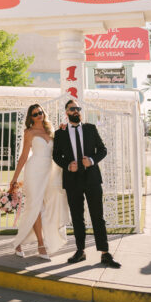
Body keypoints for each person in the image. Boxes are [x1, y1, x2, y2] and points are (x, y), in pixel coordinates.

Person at [53, 99, 121, 268]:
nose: (76, 111)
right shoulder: (60, 133)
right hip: (72, 180)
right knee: (77, 218)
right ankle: (80, 251)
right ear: (67, 112)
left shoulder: (90, 128)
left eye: (78, 108)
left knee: (98, 216)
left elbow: (103, 149)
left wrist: (92, 160)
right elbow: (56, 156)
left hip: (92, 179)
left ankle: (105, 253)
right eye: (72, 109)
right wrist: (68, 166)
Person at [10, 103, 69, 259]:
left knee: (48, 206)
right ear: (31, 117)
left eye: (40, 112)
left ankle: (20, 242)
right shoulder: (29, 132)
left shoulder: (51, 130)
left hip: (50, 172)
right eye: (35, 114)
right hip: (34, 170)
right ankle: (40, 244)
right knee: (34, 206)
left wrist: (63, 131)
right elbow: (23, 156)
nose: (38, 115)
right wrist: (15, 178)